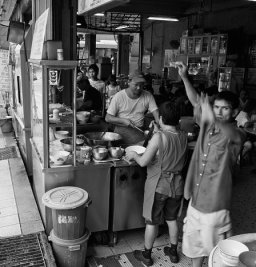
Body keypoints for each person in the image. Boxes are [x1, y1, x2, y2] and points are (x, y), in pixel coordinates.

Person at [175, 62, 245, 267]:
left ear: (234, 112)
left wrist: (213, 116)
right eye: (217, 107)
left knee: (218, 256)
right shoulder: (207, 124)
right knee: (195, 248)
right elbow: (197, 101)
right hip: (195, 201)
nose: (220, 112)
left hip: (215, 206)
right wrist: (185, 77)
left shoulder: (236, 134)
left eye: (225, 109)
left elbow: (233, 134)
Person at [126, 102, 188, 266]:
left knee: (152, 222)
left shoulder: (159, 137)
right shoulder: (183, 135)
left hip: (159, 186)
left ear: (161, 118)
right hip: (177, 186)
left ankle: (147, 255)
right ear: (178, 120)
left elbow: (144, 162)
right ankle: (173, 252)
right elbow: (171, 140)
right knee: (172, 219)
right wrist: (158, 129)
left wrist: (133, 154)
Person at [105, 74, 160, 145]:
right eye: (136, 85)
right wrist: (123, 121)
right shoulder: (119, 96)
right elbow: (107, 118)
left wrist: (157, 124)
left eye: (141, 85)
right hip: (122, 128)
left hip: (139, 129)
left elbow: (156, 112)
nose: (139, 88)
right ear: (129, 82)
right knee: (145, 144)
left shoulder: (148, 95)